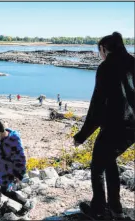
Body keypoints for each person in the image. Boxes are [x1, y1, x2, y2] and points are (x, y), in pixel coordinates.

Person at [73, 32, 135, 220]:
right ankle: (116, 208)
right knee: (109, 162)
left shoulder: (106, 67)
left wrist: (82, 135)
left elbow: (98, 105)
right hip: (132, 128)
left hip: (114, 127)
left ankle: (98, 210)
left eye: (99, 51)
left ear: (103, 49)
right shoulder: (133, 62)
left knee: (97, 167)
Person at [0, 120, 35, 216]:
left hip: (10, 171)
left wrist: (19, 175)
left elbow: (21, 159)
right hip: (1, 168)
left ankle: (27, 204)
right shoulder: (1, 138)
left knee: (5, 190)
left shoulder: (14, 142)